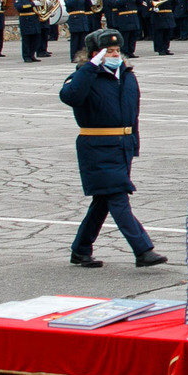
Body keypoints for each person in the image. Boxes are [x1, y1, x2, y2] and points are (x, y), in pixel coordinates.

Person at [59, 29, 169, 269]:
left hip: (122, 146)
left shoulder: (127, 75)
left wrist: (133, 144)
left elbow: (133, 114)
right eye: (108, 51)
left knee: (103, 200)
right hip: (97, 146)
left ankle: (80, 250)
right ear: (94, 54)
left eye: (117, 50)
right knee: (118, 197)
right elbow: (70, 97)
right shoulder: (83, 76)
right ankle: (143, 249)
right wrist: (91, 67)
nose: (114, 55)